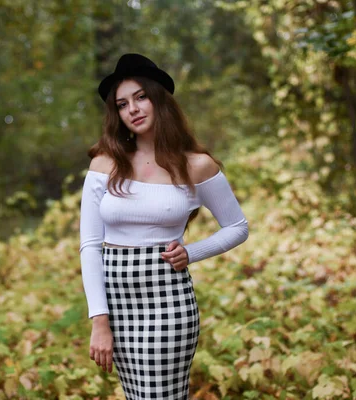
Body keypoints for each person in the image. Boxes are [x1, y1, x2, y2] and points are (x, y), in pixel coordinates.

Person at [79, 53, 249, 399]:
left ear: (159, 100)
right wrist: (100, 320)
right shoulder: (104, 163)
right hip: (116, 303)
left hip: (167, 301)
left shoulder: (197, 166)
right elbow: (90, 245)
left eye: (141, 97)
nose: (133, 109)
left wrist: (191, 252)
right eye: (123, 104)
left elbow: (237, 226)